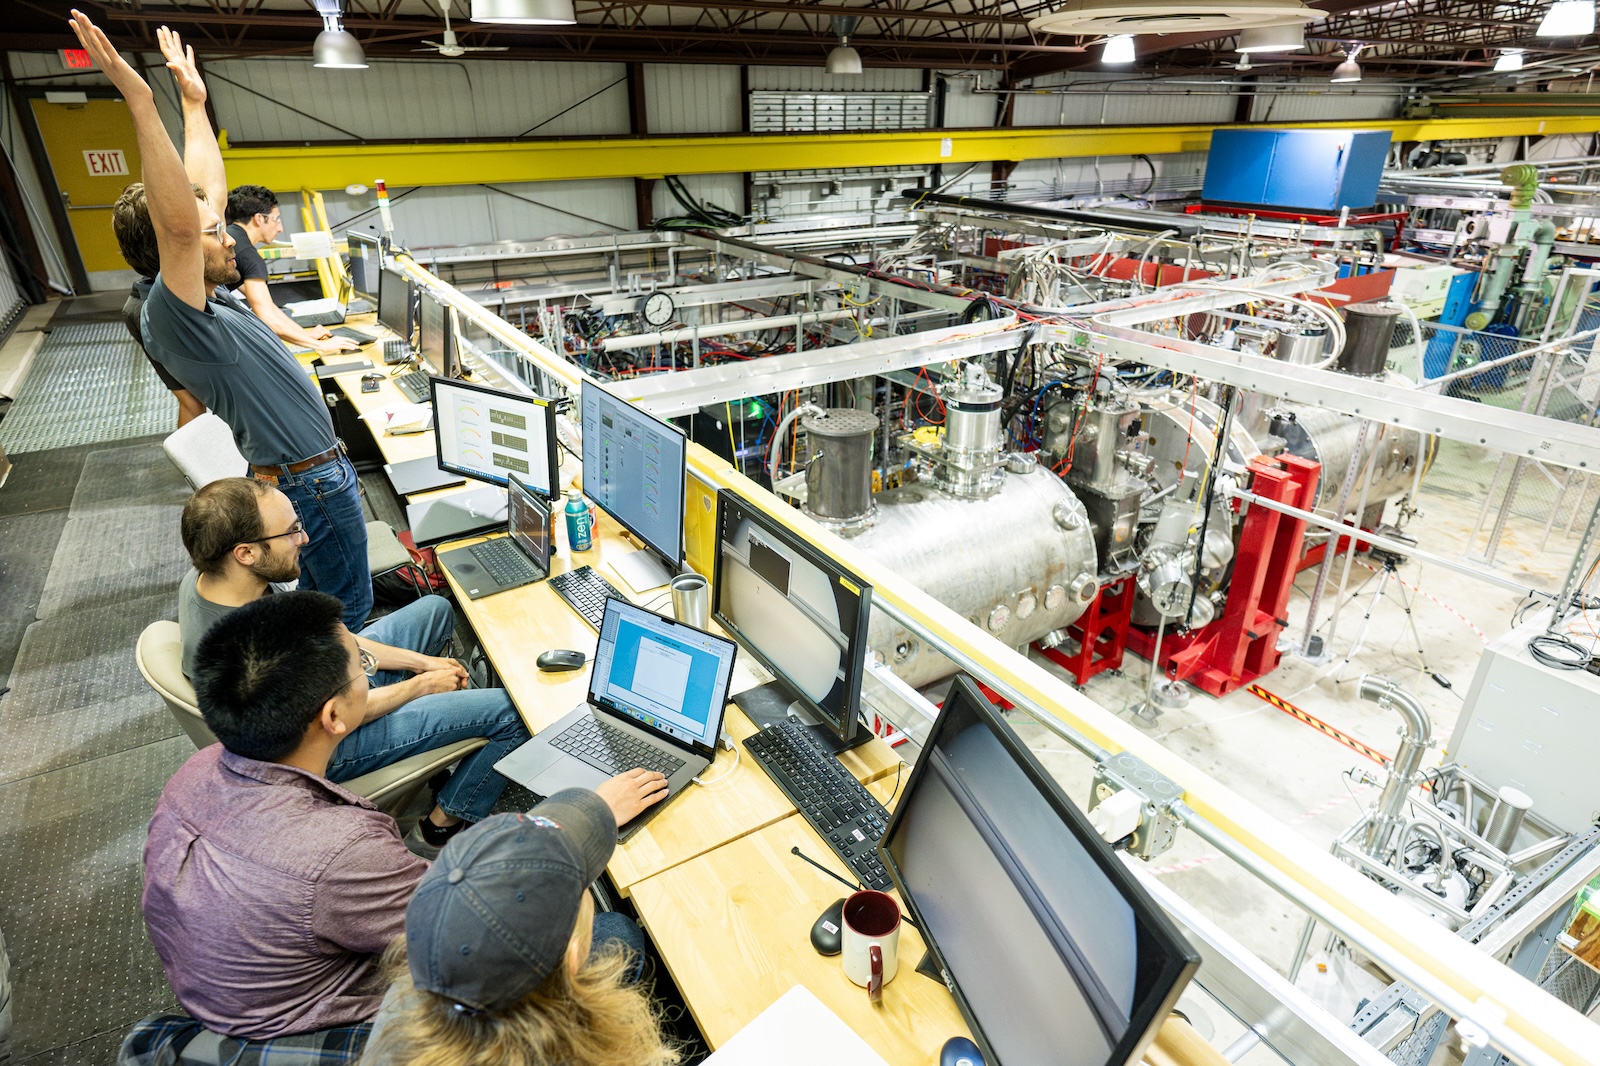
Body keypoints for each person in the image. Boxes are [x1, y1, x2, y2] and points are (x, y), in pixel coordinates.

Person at [136, 591, 668, 1055]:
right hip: (323, 1033)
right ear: (335, 717)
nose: (368, 670)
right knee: (612, 935)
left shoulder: (195, 773)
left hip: (230, 1003)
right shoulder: (338, 853)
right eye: (359, 670)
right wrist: (584, 814)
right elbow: (474, 933)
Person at [71, 12, 373, 630]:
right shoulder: (174, 314)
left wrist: (192, 104)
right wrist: (141, 103)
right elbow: (184, 222)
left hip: (309, 475)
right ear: (174, 250)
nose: (229, 237)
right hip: (309, 482)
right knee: (351, 612)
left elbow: (204, 191)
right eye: (215, 235)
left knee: (330, 604)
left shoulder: (210, 295)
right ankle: (360, 712)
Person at [177, 475, 528, 857]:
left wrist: (423, 663)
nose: (304, 539)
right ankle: (439, 829)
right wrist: (421, 685)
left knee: (435, 610)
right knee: (514, 711)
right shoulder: (252, 648)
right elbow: (341, 715)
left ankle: (449, 729)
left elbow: (335, 635)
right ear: (246, 552)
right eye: (291, 532)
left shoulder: (224, 579)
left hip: (329, 691)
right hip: (328, 743)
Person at [360, 797, 679, 1066]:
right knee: (618, 936)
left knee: (618, 930)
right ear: (572, 958)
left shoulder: (405, 1002)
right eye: (578, 886)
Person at [225, 184, 360, 357]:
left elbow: (268, 306)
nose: (280, 228)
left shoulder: (232, 238)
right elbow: (268, 318)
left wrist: (305, 334)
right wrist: (320, 346)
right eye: (276, 219)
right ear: (259, 219)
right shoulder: (248, 256)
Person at [111, 212, 205, 428]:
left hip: (138, 304)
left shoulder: (144, 297)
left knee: (191, 401)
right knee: (192, 400)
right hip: (151, 308)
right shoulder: (167, 303)